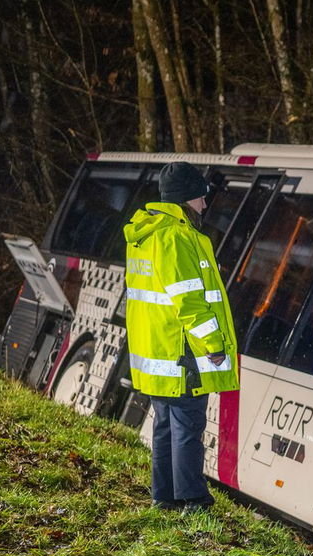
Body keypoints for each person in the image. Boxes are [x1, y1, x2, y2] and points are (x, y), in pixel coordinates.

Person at [123, 161, 239, 511]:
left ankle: (165, 496)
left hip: (158, 348)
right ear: (187, 199)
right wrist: (214, 344)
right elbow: (189, 300)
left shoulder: (147, 233)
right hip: (181, 349)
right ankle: (193, 498)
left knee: (165, 426)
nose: (204, 205)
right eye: (201, 198)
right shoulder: (176, 236)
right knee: (188, 425)